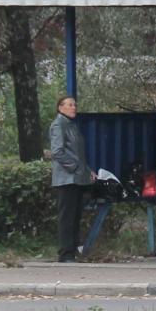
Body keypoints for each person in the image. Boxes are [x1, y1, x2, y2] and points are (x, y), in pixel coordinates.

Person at [47, 94, 93, 261]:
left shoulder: (71, 125)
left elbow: (78, 154)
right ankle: (65, 253)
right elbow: (57, 152)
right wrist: (75, 168)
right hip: (66, 178)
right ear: (60, 108)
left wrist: (88, 170)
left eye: (75, 104)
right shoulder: (58, 125)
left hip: (76, 177)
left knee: (75, 216)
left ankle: (72, 250)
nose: (74, 107)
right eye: (70, 105)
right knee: (67, 217)